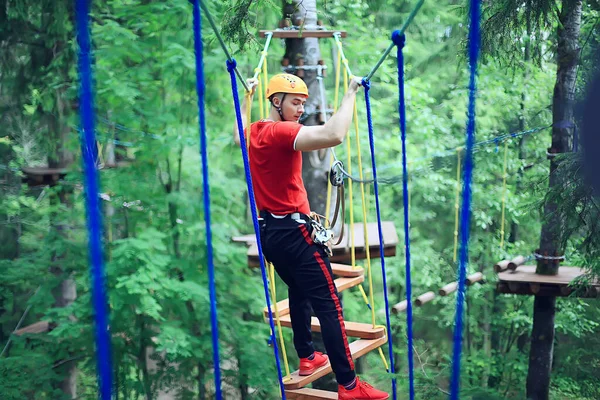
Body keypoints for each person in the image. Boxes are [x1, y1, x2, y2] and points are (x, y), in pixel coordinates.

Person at [233, 73, 389, 400]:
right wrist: (350, 92)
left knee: (299, 290)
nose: (300, 109)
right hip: (294, 233)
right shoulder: (282, 131)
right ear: (276, 102)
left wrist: (246, 98)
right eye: (294, 102)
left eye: (303, 103)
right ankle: (349, 385)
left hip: (270, 233)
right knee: (330, 305)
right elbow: (334, 135)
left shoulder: (258, 131)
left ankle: (307, 356)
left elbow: (238, 134)